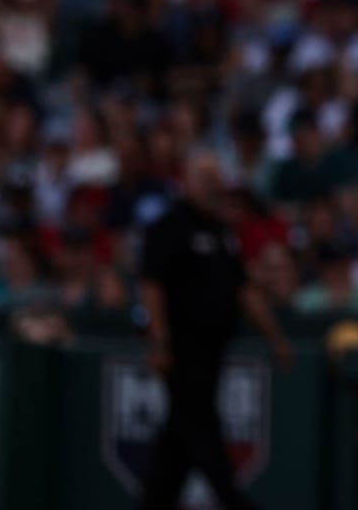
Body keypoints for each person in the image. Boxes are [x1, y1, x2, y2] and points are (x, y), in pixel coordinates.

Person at [137, 152, 292, 510]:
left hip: (214, 350)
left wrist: (274, 336)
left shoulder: (222, 232)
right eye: (205, 178)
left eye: (217, 179)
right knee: (202, 428)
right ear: (187, 181)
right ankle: (234, 501)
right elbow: (152, 287)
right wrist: (159, 341)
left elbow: (243, 289)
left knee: (176, 446)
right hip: (182, 349)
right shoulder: (170, 227)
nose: (213, 187)